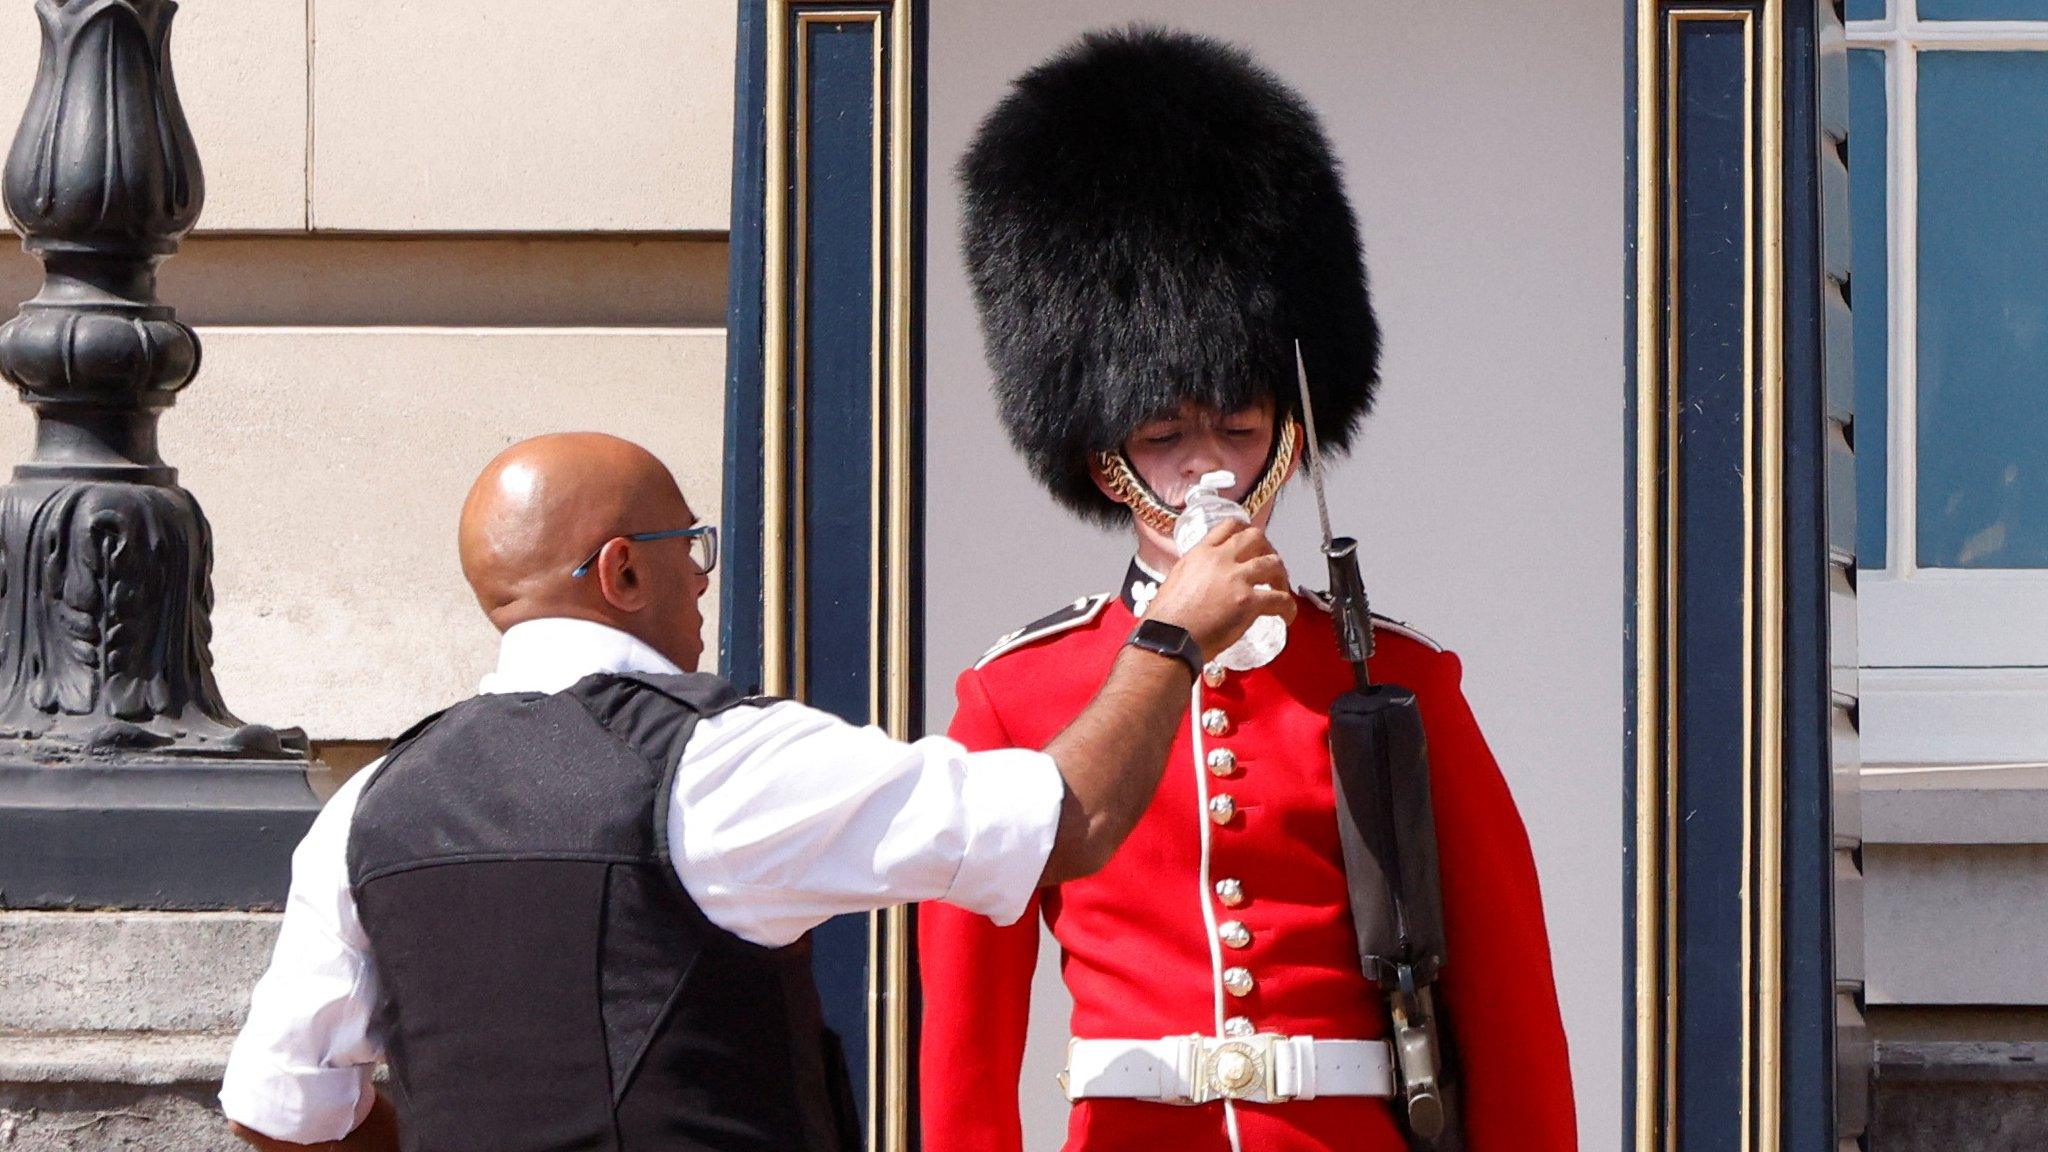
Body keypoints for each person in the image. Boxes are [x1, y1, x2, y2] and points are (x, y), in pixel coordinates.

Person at [218, 431, 1293, 1152]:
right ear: (620, 572)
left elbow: (280, 1109)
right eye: (690, 548)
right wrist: (1171, 634)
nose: (701, 578)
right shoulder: (721, 763)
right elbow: (1071, 817)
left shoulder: (370, 806)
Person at [918, 26, 1576, 1152]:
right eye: (1166, 435)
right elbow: (965, 1047)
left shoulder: (1398, 678)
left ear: (1288, 437)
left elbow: (1510, 1009)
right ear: (1103, 458)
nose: (1209, 467)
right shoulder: (1015, 698)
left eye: (1238, 426)